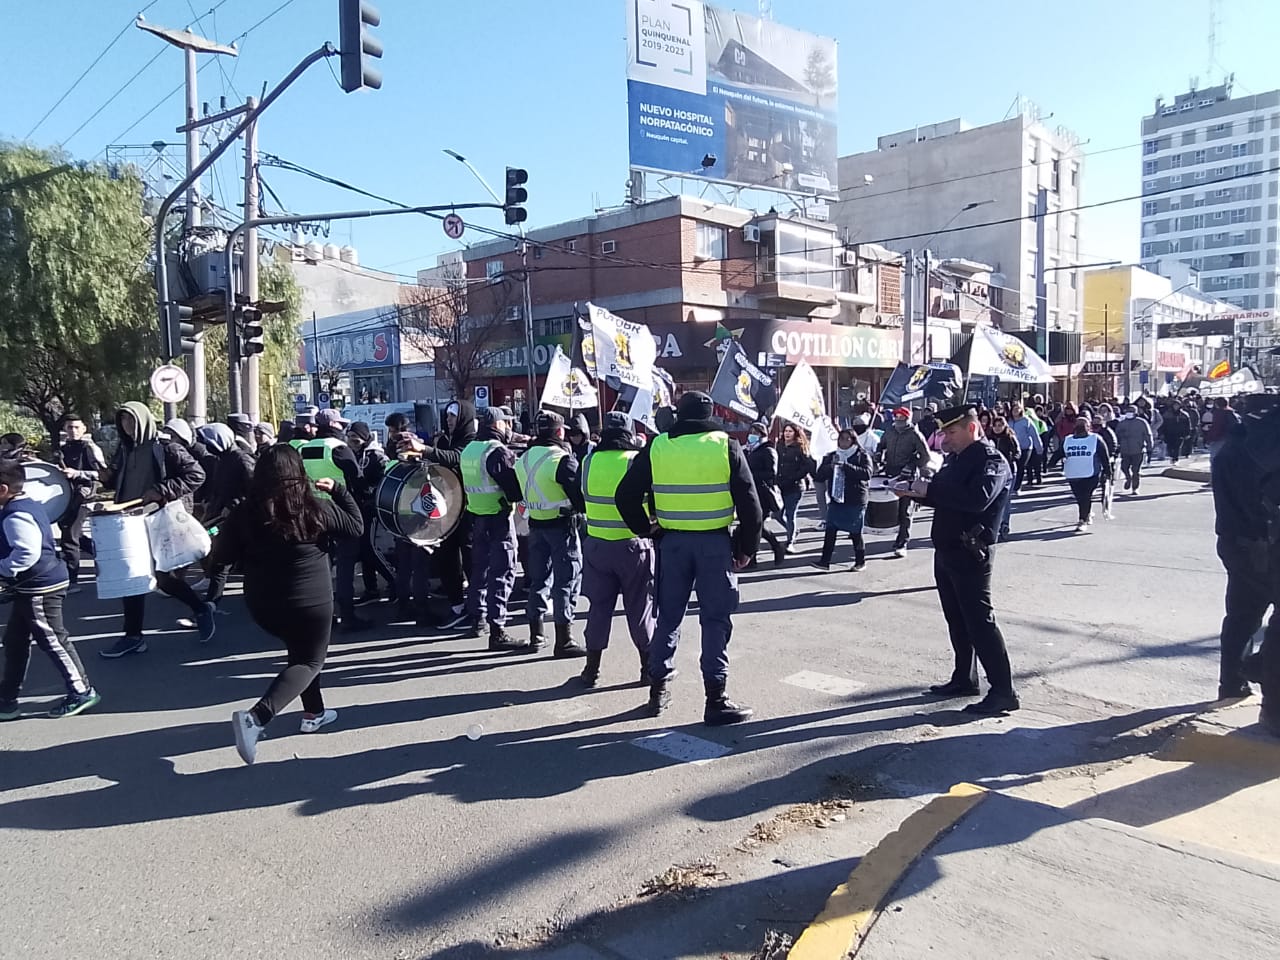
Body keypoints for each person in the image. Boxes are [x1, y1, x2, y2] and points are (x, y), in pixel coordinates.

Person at [616, 391, 763, 725]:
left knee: (668, 618)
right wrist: (744, 550)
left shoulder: (658, 445)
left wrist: (648, 530)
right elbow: (752, 508)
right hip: (714, 545)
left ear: (678, 414)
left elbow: (624, 495)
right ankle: (716, 699)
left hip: (672, 544)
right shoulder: (725, 445)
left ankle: (658, 690)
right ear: (710, 413)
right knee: (714, 620)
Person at [218, 447, 364, 764]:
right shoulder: (316, 509)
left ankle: (314, 713)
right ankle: (256, 717)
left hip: (263, 605)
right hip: (310, 602)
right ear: (299, 473)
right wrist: (339, 490)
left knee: (299, 652)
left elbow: (222, 557)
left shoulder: (246, 513)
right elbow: (356, 527)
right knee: (310, 661)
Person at [892, 405, 1018, 716]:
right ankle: (964, 677)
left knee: (980, 622)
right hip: (947, 549)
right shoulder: (957, 460)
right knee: (957, 620)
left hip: (970, 552)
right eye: (944, 432)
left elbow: (977, 499)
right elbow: (944, 495)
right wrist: (916, 493)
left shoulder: (991, 461)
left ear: (972, 429)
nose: (945, 437)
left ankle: (1003, 690)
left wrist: (931, 489)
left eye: (951, 431)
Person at [97, 402, 214, 658]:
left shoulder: (164, 447)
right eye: (123, 421)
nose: (127, 427)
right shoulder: (126, 449)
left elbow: (196, 475)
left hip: (158, 520)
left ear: (143, 420)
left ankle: (199, 609)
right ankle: (134, 636)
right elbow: (124, 481)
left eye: (131, 420)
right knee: (133, 577)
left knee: (158, 577)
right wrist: (108, 478)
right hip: (128, 521)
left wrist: (162, 490)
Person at [0, 458, 100, 721]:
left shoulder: (16, 514)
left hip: (40, 586)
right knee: (15, 642)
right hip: (31, 586)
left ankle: (82, 690)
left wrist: (4, 568)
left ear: (3, 489)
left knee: (53, 639)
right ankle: (7, 698)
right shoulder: (22, 504)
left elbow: (26, 553)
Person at [1210, 394, 1280, 718]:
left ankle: (1232, 682)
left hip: (1234, 542)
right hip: (1263, 544)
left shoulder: (1230, 448)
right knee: (1260, 620)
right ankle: (1257, 671)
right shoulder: (1264, 449)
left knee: (1240, 616)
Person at [578, 411, 655, 687]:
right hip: (631, 546)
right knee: (640, 608)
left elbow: (579, 498)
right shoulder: (635, 461)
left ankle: (591, 670)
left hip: (597, 545)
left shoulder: (588, 460)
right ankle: (648, 669)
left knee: (598, 608)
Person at [516, 410, 588, 657]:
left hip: (535, 526)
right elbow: (579, 497)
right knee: (566, 582)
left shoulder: (523, 459)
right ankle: (564, 639)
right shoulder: (562, 459)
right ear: (559, 431)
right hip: (561, 526)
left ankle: (536, 635)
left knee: (539, 581)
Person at [399, 403, 474, 629]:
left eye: (454, 415)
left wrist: (425, 449)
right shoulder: (441, 440)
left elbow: (455, 457)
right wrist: (412, 456)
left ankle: (477, 609)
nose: (449, 419)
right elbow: (433, 464)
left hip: (470, 507)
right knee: (447, 558)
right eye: (447, 415)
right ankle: (457, 607)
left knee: (472, 559)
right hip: (445, 508)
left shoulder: (472, 441)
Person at [460, 406, 525, 650]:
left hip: (477, 517)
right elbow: (513, 488)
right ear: (497, 425)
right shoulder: (497, 452)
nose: (509, 427)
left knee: (480, 572)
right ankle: (497, 629)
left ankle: (477, 620)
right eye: (506, 423)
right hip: (498, 517)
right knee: (503, 572)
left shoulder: (469, 450)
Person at [301, 409, 367, 631]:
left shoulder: (305, 448)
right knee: (346, 566)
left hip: (313, 513)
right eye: (340, 424)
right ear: (334, 426)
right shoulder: (338, 448)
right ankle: (348, 615)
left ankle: (323, 616)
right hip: (340, 511)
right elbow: (358, 479)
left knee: (321, 567)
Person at [194, 423, 255, 608]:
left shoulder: (242, 459)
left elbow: (255, 489)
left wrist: (233, 505)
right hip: (223, 518)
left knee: (241, 561)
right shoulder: (221, 459)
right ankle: (211, 605)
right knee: (220, 561)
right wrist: (210, 503)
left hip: (240, 519)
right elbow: (220, 487)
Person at [55, 416, 106, 592]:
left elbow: (101, 474)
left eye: (77, 427)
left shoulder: (89, 448)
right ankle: (103, 552)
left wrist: (77, 473)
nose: (73, 430)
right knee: (72, 533)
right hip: (67, 496)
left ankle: (72, 580)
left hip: (84, 496)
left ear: (84, 428)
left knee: (70, 536)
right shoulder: (63, 449)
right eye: (70, 427)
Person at [346, 421, 394, 607]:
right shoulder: (352, 453)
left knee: (370, 549)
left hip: (370, 508)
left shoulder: (376, 456)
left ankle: (393, 579)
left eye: (356, 439)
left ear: (365, 439)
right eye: (350, 438)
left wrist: (370, 496)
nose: (352, 442)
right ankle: (371, 588)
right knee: (363, 550)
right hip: (355, 507)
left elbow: (384, 480)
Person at [813, 428, 872, 571]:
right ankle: (824, 561)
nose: (843, 442)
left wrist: (846, 466)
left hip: (854, 499)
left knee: (855, 532)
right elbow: (819, 475)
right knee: (831, 530)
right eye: (841, 439)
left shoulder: (861, 455)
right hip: (836, 499)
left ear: (853, 440)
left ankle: (860, 561)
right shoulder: (833, 455)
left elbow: (867, 473)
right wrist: (830, 467)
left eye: (847, 439)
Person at [879, 406, 930, 558]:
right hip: (890, 471)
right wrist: (878, 455)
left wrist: (913, 465)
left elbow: (926, 456)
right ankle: (890, 533)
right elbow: (880, 446)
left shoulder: (915, 434)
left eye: (902, 417)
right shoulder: (889, 432)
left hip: (907, 475)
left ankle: (902, 543)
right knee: (889, 506)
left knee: (905, 510)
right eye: (897, 416)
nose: (899, 419)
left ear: (908, 418)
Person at [744, 421, 786, 568]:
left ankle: (775, 547)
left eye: (755, 433)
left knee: (755, 526)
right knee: (753, 526)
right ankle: (753, 557)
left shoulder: (768, 450)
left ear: (762, 434)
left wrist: (751, 475)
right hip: (750, 492)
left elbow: (772, 474)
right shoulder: (750, 449)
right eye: (751, 432)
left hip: (763, 493)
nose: (752, 435)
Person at [1063, 418, 1111, 532]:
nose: (1080, 427)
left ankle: (1082, 520)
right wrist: (1050, 464)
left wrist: (1108, 471)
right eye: (1078, 424)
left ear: (1089, 427)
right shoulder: (1068, 440)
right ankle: (1087, 513)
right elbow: (1060, 452)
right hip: (1073, 474)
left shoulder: (1095, 439)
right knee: (1079, 497)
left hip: (1091, 474)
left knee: (1086, 496)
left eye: (1083, 424)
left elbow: (1104, 456)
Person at [776, 423, 814, 551]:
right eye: (785, 431)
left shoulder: (800, 447)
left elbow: (807, 466)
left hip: (795, 486)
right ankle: (791, 530)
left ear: (795, 433)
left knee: (791, 513)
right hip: (780, 485)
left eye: (790, 431)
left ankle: (790, 542)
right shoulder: (779, 445)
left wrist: (794, 477)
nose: (787, 434)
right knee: (777, 514)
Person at [987, 415, 1021, 541]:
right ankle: (993, 525)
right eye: (995, 425)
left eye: (1000, 425)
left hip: (1009, 471)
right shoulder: (989, 438)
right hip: (994, 472)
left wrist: (1010, 459)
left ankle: (1004, 525)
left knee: (1005, 500)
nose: (997, 428)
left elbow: (1018, 453)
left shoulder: (1010, 437)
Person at [1114, 404, 1154, 494]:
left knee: (1136, 470)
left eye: (1132, 411)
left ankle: (1135, 488)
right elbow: (1116, 436)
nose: (1129, 413)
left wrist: (1149, 448)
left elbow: (1148, 435)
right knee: (1124, 467)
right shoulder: (1122, 423)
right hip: (1125, 450)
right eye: (1128, 411)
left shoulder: (1142, 422)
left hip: (1138, 450)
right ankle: (1128, 478)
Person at [1008, 403, 1043, 493]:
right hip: (1013, 448)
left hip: (1025, 447)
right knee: (1012, 467)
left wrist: (1039, 447)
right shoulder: (1009, 421)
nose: (1016, 410)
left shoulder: (1026, 421)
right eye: (1014, 409)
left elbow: (1034, 434)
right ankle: (1012, 484)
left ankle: (1017, 487)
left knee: (1020, 466)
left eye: (1018, 408)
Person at [1091, 414, 1119, 521]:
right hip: (1092, 462)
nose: (1096, 424)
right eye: (1094, 422)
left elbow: (1113, 445)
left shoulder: (1107, 432)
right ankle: (1088, 511)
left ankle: (1106, 510)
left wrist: (1109, 458)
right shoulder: (1090, 432)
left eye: (1098, 422)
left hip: (1105, 461)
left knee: (1106, 486)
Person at [1205, 397, 1238, 466]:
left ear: (1217, 404)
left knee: (1215, 459)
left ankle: (1216, 475)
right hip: (1230, 438)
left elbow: (1217, 427)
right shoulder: (1233, 413)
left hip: (1219, 438)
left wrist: (1209, 438)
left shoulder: (1219, 413)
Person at [1160, 401, 1192, 465]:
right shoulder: (1167, 414)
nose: (1176, 407)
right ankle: (1172, 457)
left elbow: (1188, 425)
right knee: (1170, 447)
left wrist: (1187, 433)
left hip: (1180, 433)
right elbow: (1163, 425)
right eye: (1174, 405)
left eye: (1177, 405)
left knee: (1177, 447)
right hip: (1169, 433)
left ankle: (1175, 458)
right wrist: (1162, 433)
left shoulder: (1184, 414)